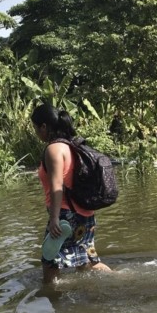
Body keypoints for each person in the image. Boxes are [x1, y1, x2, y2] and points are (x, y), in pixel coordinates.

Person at [31, 103, 112, 285]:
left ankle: (53, 299)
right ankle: (123, 277)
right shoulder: (72, 146)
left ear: (44, 127)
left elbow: (57, 186)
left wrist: (54, 219)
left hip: (66, 216)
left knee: (50, 263)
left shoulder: (53, 149)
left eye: (36, 128)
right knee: (86, 262)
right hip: (85, 214)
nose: (36, 133)